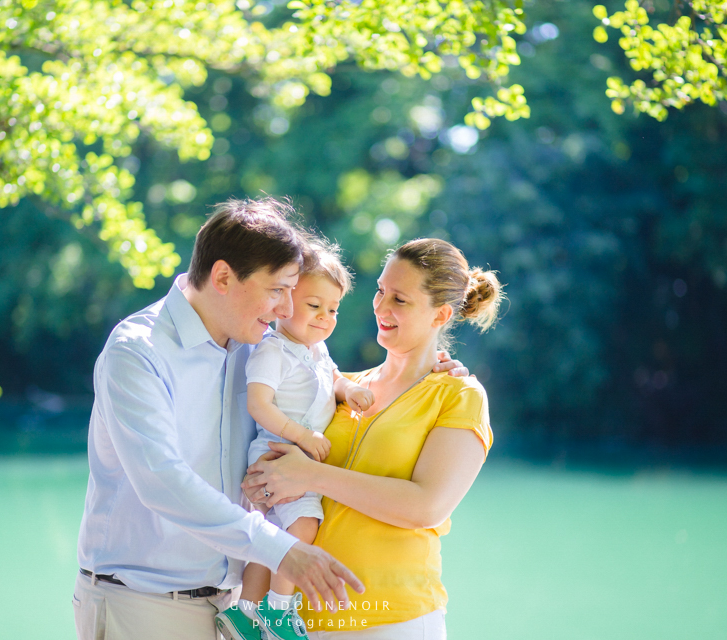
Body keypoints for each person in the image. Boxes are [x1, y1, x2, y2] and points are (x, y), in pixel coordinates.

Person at [73, 198, 365, 640]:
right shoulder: (137, 352)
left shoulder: (256, 345)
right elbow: (163, 481)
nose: (287, 310)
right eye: (277, 290)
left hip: (231, 607)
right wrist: (283, 551)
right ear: (224, 277)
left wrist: (424, 369)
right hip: (141, 605)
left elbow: (321, 379)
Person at [244, 238, 505, 639]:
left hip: (392, 621)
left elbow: (426, 507)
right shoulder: (337, 385)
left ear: (442, 315)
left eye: (400, 299)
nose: (381, 308)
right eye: (381, 291)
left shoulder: (458, 395)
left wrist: (310, 475)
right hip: (300, 624)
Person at [215, 243, 375, 640]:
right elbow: (259, 404)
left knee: (267, 537)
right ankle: (280, 608)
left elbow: (330, 378)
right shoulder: (273, 349)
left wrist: (346, 390)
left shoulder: (315, 348)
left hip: (293, 455)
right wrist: (302, 436)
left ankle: (244, 615)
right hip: (280, 451)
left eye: (333, 309)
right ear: (286, 301)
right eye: (315, 306)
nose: (325, 318)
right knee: (304, 526)